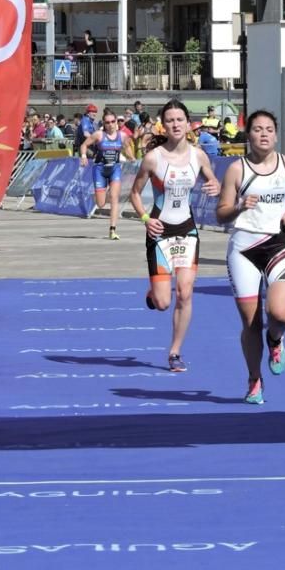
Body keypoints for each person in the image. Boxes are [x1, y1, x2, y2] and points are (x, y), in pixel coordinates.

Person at [216, 110, 285, 405]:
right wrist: (238, 206)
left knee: (280, 315)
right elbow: (220, 214)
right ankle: (254, 379)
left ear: (276, 134)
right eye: (257, 129)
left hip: (278, 246)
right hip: (244, 250)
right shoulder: (237, 169)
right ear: (249, 135)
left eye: (269, 129)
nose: (263, 134)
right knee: (251, 324)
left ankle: (275, 340)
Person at [129, 100, 221, 372]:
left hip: (186, 231)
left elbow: (212, 181)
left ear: (187, 123)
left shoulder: (199, 156)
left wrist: (214, 186)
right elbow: (134, 193)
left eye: (180, 119)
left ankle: (175, 352)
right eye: (170, 120)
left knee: (184, 292)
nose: (175, 124)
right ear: (163, 125)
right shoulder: (153, 158)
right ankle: (153, 294)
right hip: (160, 232)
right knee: (162, 302)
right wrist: (146, 219)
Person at [79, 110, 132, 240]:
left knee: (114, 198)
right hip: (100, 170)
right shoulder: (99, 135)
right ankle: (95, 195)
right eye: (107, 122)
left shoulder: (122, 135)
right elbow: (84, 145)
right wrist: (84, 156)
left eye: (113, 121)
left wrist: (133, 158)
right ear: (104, 123)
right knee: (101, 204)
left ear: (116, 122)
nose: (111, 125)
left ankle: (112, 230)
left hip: (115, 169)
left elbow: (127, 147)